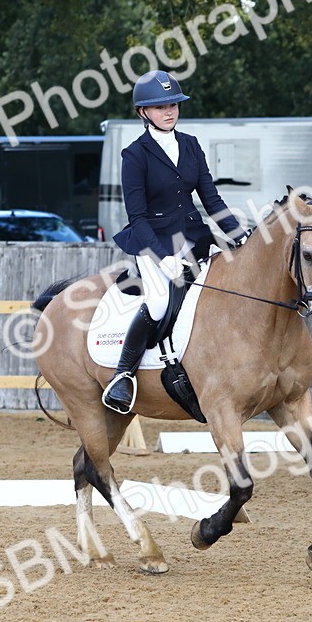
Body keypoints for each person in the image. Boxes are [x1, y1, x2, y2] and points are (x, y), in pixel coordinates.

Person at [102, 70, 244, 414]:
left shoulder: (191, 145)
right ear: (143, 113)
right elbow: (137, 217)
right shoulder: (134, 155)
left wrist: (240, 234)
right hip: (153, 243)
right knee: (159, 302)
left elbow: (211, 199)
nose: (170, 111)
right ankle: (123, 375)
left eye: (174, 105)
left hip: (195, 239)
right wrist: (162, 256)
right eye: (161, 106)